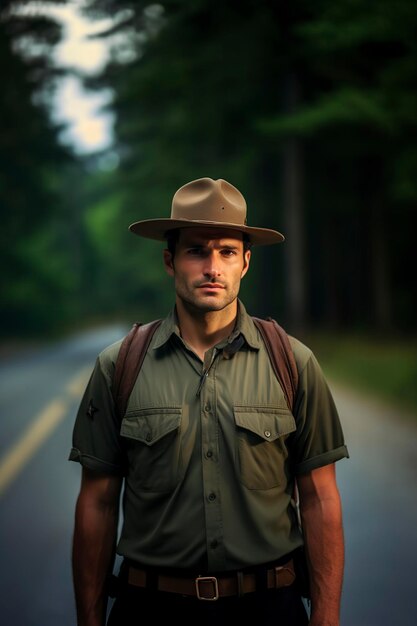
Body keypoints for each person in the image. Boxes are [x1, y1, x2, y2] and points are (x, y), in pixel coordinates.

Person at [69, 176, 349, 626]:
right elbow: (97, 504)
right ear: (170, 261)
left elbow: (319, 498)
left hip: (269, 609)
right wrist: (90, 620)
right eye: (196, 250)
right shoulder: (118, 367)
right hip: (150, 609)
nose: (212, 267)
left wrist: (327, 615)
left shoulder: (292, 362)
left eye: (226, 251)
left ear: (246, 263)